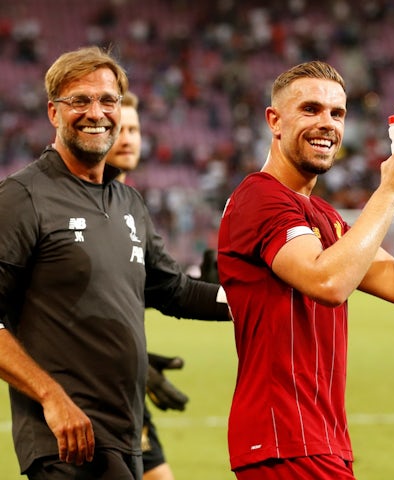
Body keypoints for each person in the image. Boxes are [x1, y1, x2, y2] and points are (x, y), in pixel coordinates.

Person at [0, 45, 230, 480]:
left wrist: (253, 299)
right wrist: (51, 396)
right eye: (80, 100)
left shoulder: (128, 201)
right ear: (53, 112)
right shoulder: (22, 197)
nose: (97, 112)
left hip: (125, 434)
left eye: (109, 101)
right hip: (65, 441)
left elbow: (173, 289)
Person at [217, 60, 394, 479]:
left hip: (319, 439)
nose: (327, 123)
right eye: (310, 109)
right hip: (283, 437)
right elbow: (327, 281)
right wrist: (388, 190)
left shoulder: (324, 216)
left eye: (337, 113)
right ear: (274, 120)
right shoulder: (260, 198)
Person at [104, 89, 187, 480]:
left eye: (134, 129)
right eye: (119, 128)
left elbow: (144, 289)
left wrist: (221, 290)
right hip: (87, 394)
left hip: (126, 388)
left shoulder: (129, 204)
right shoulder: (67, 207)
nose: (127, 138)